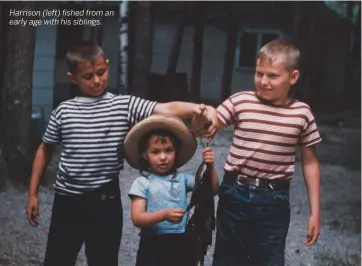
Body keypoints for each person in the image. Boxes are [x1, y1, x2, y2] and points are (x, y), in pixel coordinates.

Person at [25, 41, 218, 266]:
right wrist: (32, 193)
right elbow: (45, 148)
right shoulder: (63, 111)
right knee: (58, 259)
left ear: (107, 65)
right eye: (88, 76)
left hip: (105, 201)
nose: (97, 80)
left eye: (101, 72)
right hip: (67, 202)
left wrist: (199, 108)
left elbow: (163, 108)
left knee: (104, 260)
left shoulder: (123, 105)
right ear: (72, 77)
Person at [197, 38, 322, 266]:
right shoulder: (241, 101)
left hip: (273, 200)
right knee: (227, 259)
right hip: (234, 192)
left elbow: (311, 163)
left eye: (273, 76)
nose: (263, 81)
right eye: (259, 73)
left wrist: (315, 212)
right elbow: (212, 120)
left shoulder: (302, 113)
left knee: (268, 260)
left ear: (293, 77)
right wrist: (204, 119)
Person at [125, 115, 219, 266]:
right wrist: (163, 215)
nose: (163, 157)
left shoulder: (183, 179)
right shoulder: (142, 183)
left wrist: (210, 166)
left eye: (168, 150)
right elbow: (137, 218)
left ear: (176, 152)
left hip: (182, 240)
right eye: (156, 152)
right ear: (145, 155)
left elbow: (212, 189)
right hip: (152, 243)